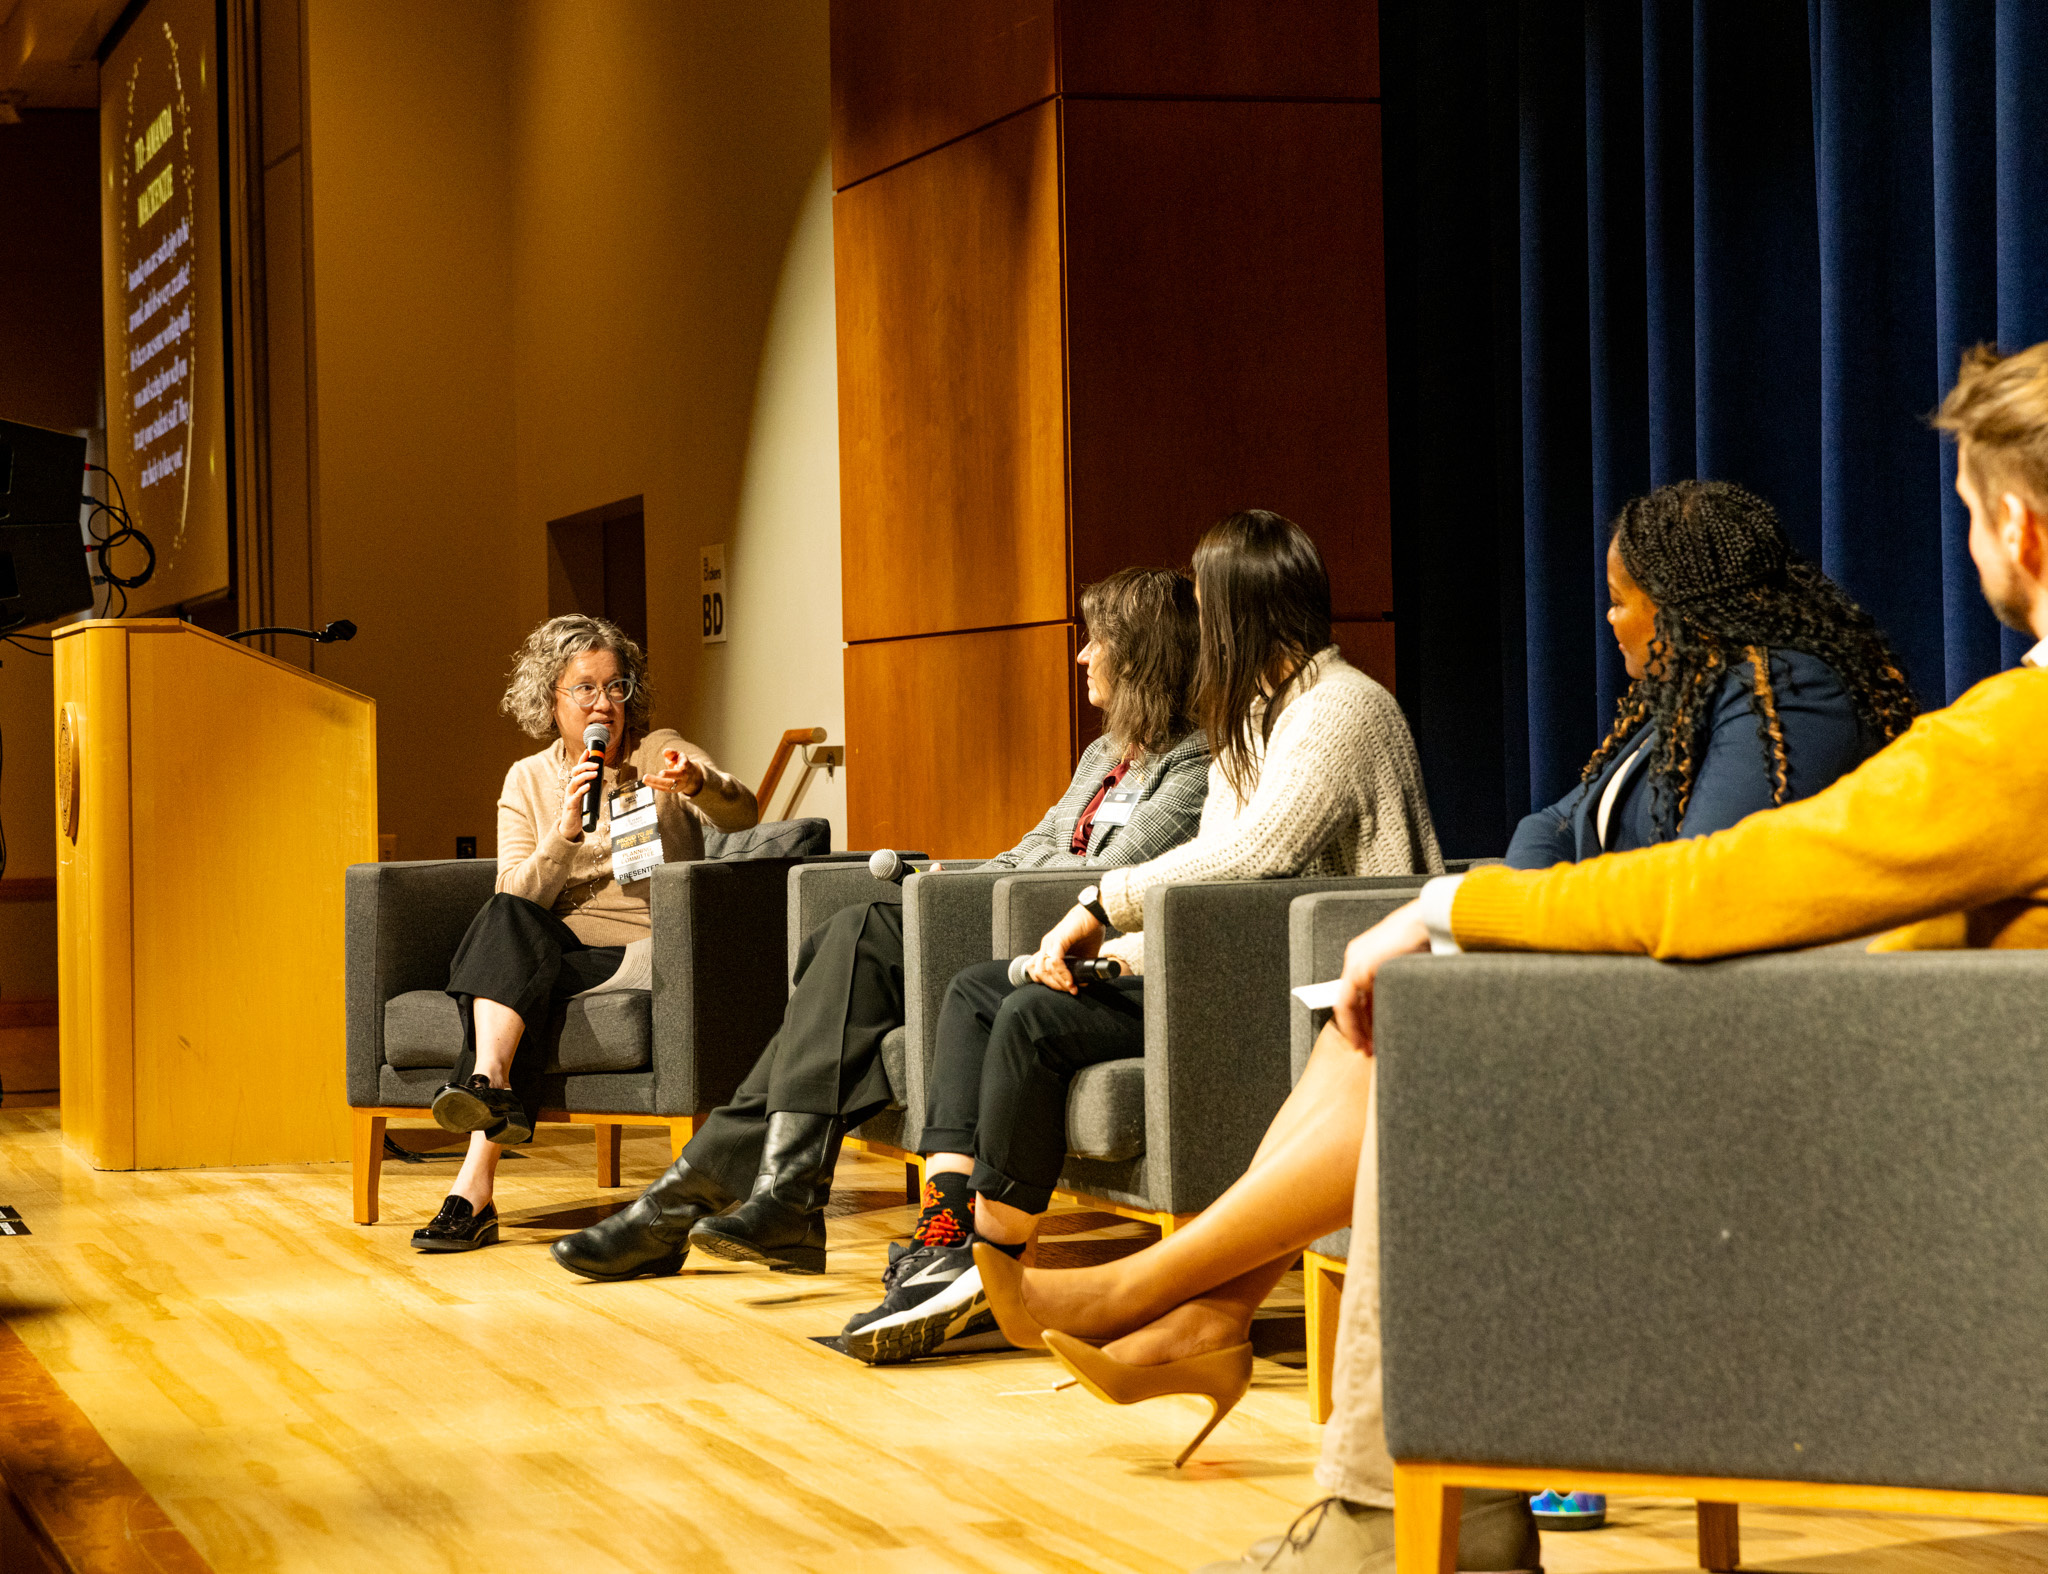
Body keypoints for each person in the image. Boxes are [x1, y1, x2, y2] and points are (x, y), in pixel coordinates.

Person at [985, 342, 2048, 1573]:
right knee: (1415, 1019)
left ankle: (1277, 1402)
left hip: (1857, 1124)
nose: (1605, 620)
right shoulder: (1718, 710)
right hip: (1885, 1085)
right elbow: (1600, 838)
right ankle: (1285, 1389)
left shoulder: (1993, 730)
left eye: (1966, 515)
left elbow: (1736, 876)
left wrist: (1457, 916)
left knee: (1434, 1035)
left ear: (2016, 527)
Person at [843, 509, 1443, 1366]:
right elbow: (1218, 892)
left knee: (1033, 1023)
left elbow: (1255, 853)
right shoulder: (1258, 718)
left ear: (1239, 610)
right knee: (984, 989)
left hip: (1291, 988)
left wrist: (1098, 909)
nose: (1195, 624)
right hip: (1223, 966)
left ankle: (997, 1265)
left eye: (1203, 603)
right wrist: (1111, 953)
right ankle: (951, 1237)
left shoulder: (1339, 707)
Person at [548, 566, 1211, 1283]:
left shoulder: (1193, 765)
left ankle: (710, 1199)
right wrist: (942, 880)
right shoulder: (1102, 756)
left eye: (1099, 642)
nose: (1082, 656)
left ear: (1143, 654)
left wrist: (960, 892)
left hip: (1058, 945)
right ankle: (764, 1195)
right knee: (844, 943)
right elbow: (1025, 851)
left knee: (857, 937)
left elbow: (1097, 884)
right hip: (999, 912)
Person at [410, 614, 758, 1252]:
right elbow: (515, 897)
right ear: (551, 700)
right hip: (557, 946)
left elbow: (744, 808)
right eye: (587, 689)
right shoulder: (529, 778)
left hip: (643, 948)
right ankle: (489, 1082)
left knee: (511, 984)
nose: (606, 704)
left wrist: (698, 782)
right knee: (509, 926)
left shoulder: (659, 753)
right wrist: (564, 832)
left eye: (616, 687)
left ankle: (473, 1173)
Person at [1507, 480, 1916, 870]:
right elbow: (1550, 824)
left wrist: (1540, 915)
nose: (1610, 617)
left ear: (1676, 607)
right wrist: (1519, 911)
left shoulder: (1784, 691)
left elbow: (1705, 874)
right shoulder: (1686, 692)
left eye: (1618, 600)